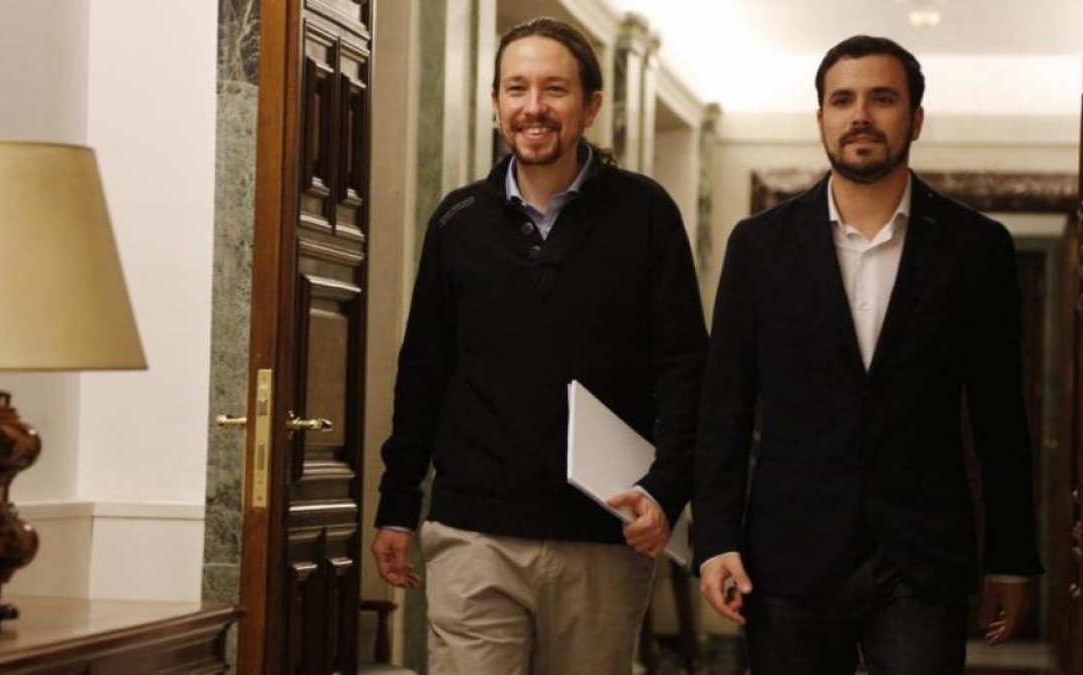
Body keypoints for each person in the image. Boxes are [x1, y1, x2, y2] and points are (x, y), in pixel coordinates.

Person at [693, 35, 1043, 674]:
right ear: (821, 118)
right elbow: (725, 406)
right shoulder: (759, 247)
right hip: (789, 553)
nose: (861, 115)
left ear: (914, 119)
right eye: (843, 100)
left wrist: (1011, 558)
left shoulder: (975, 248)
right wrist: (715, 540)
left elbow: (1000, 415)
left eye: (882, 99)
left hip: (921, 554)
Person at [369, 16, 707, 675]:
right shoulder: (457, 222)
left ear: (591, 106)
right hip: (475, 534)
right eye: (516, 89)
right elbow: (424, 371)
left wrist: (667, 488)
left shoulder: (647, 216)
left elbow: (686, 368)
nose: (533, 107)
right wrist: (398, 502)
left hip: (602, 541)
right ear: (494, 103)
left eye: (554, 89)